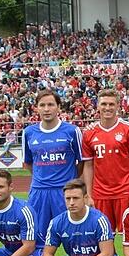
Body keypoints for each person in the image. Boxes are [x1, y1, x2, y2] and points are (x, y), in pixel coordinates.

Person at [22, 90, 83, 247]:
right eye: (42, 105)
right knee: (37, 240)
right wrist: (41, 178)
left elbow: (81, 161)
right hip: (38, 192)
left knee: (75, 237)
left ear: (58, 108)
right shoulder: (28, 133)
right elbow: (28, 163)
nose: (46, 109)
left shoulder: (72, 131)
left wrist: (70, 180)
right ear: (36, 108)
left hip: (64, 192)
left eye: (50, 104)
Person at [81, 89, 129, 232]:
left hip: (124, 191)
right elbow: (88, 165)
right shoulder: (89, 133)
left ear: (118, 106)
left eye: (111, 104)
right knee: (102, 234)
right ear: (97, 106)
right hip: (100, 194)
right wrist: (89, 195)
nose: (107, 108)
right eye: (103, 104)